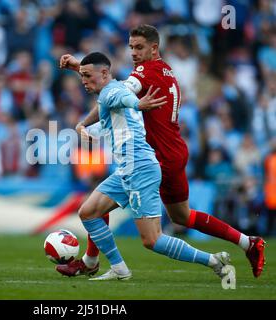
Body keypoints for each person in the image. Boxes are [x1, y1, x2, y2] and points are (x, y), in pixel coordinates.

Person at [58, 24, 265, 278]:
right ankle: (248, 242)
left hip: (152, 157)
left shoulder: (144, 71)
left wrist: (81, 69)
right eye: (131, 47)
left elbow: (114, 90)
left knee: (146, 235)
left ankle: (98, 263)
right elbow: (108, 87)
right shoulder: (166, 70)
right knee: (181, 216)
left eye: (139, 47)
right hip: (173, 151)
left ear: (154, 48)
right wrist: (86, 71)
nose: (133, 52)